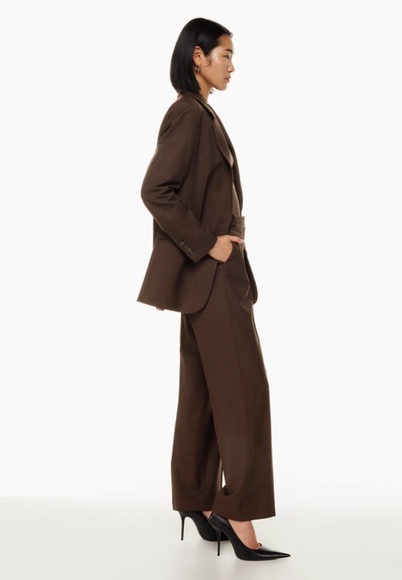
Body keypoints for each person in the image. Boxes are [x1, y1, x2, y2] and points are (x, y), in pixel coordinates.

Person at [137, 17, 290, 562]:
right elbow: (156, 189)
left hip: (207, 282)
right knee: (246, 393)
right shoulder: (189, 114)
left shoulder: (201, 113)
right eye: (225, 54)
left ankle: (198, 499)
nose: (232, 65)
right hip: (212, 277)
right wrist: (209, 244)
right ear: (197, 57)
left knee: (202, 397)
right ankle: (237, 512)